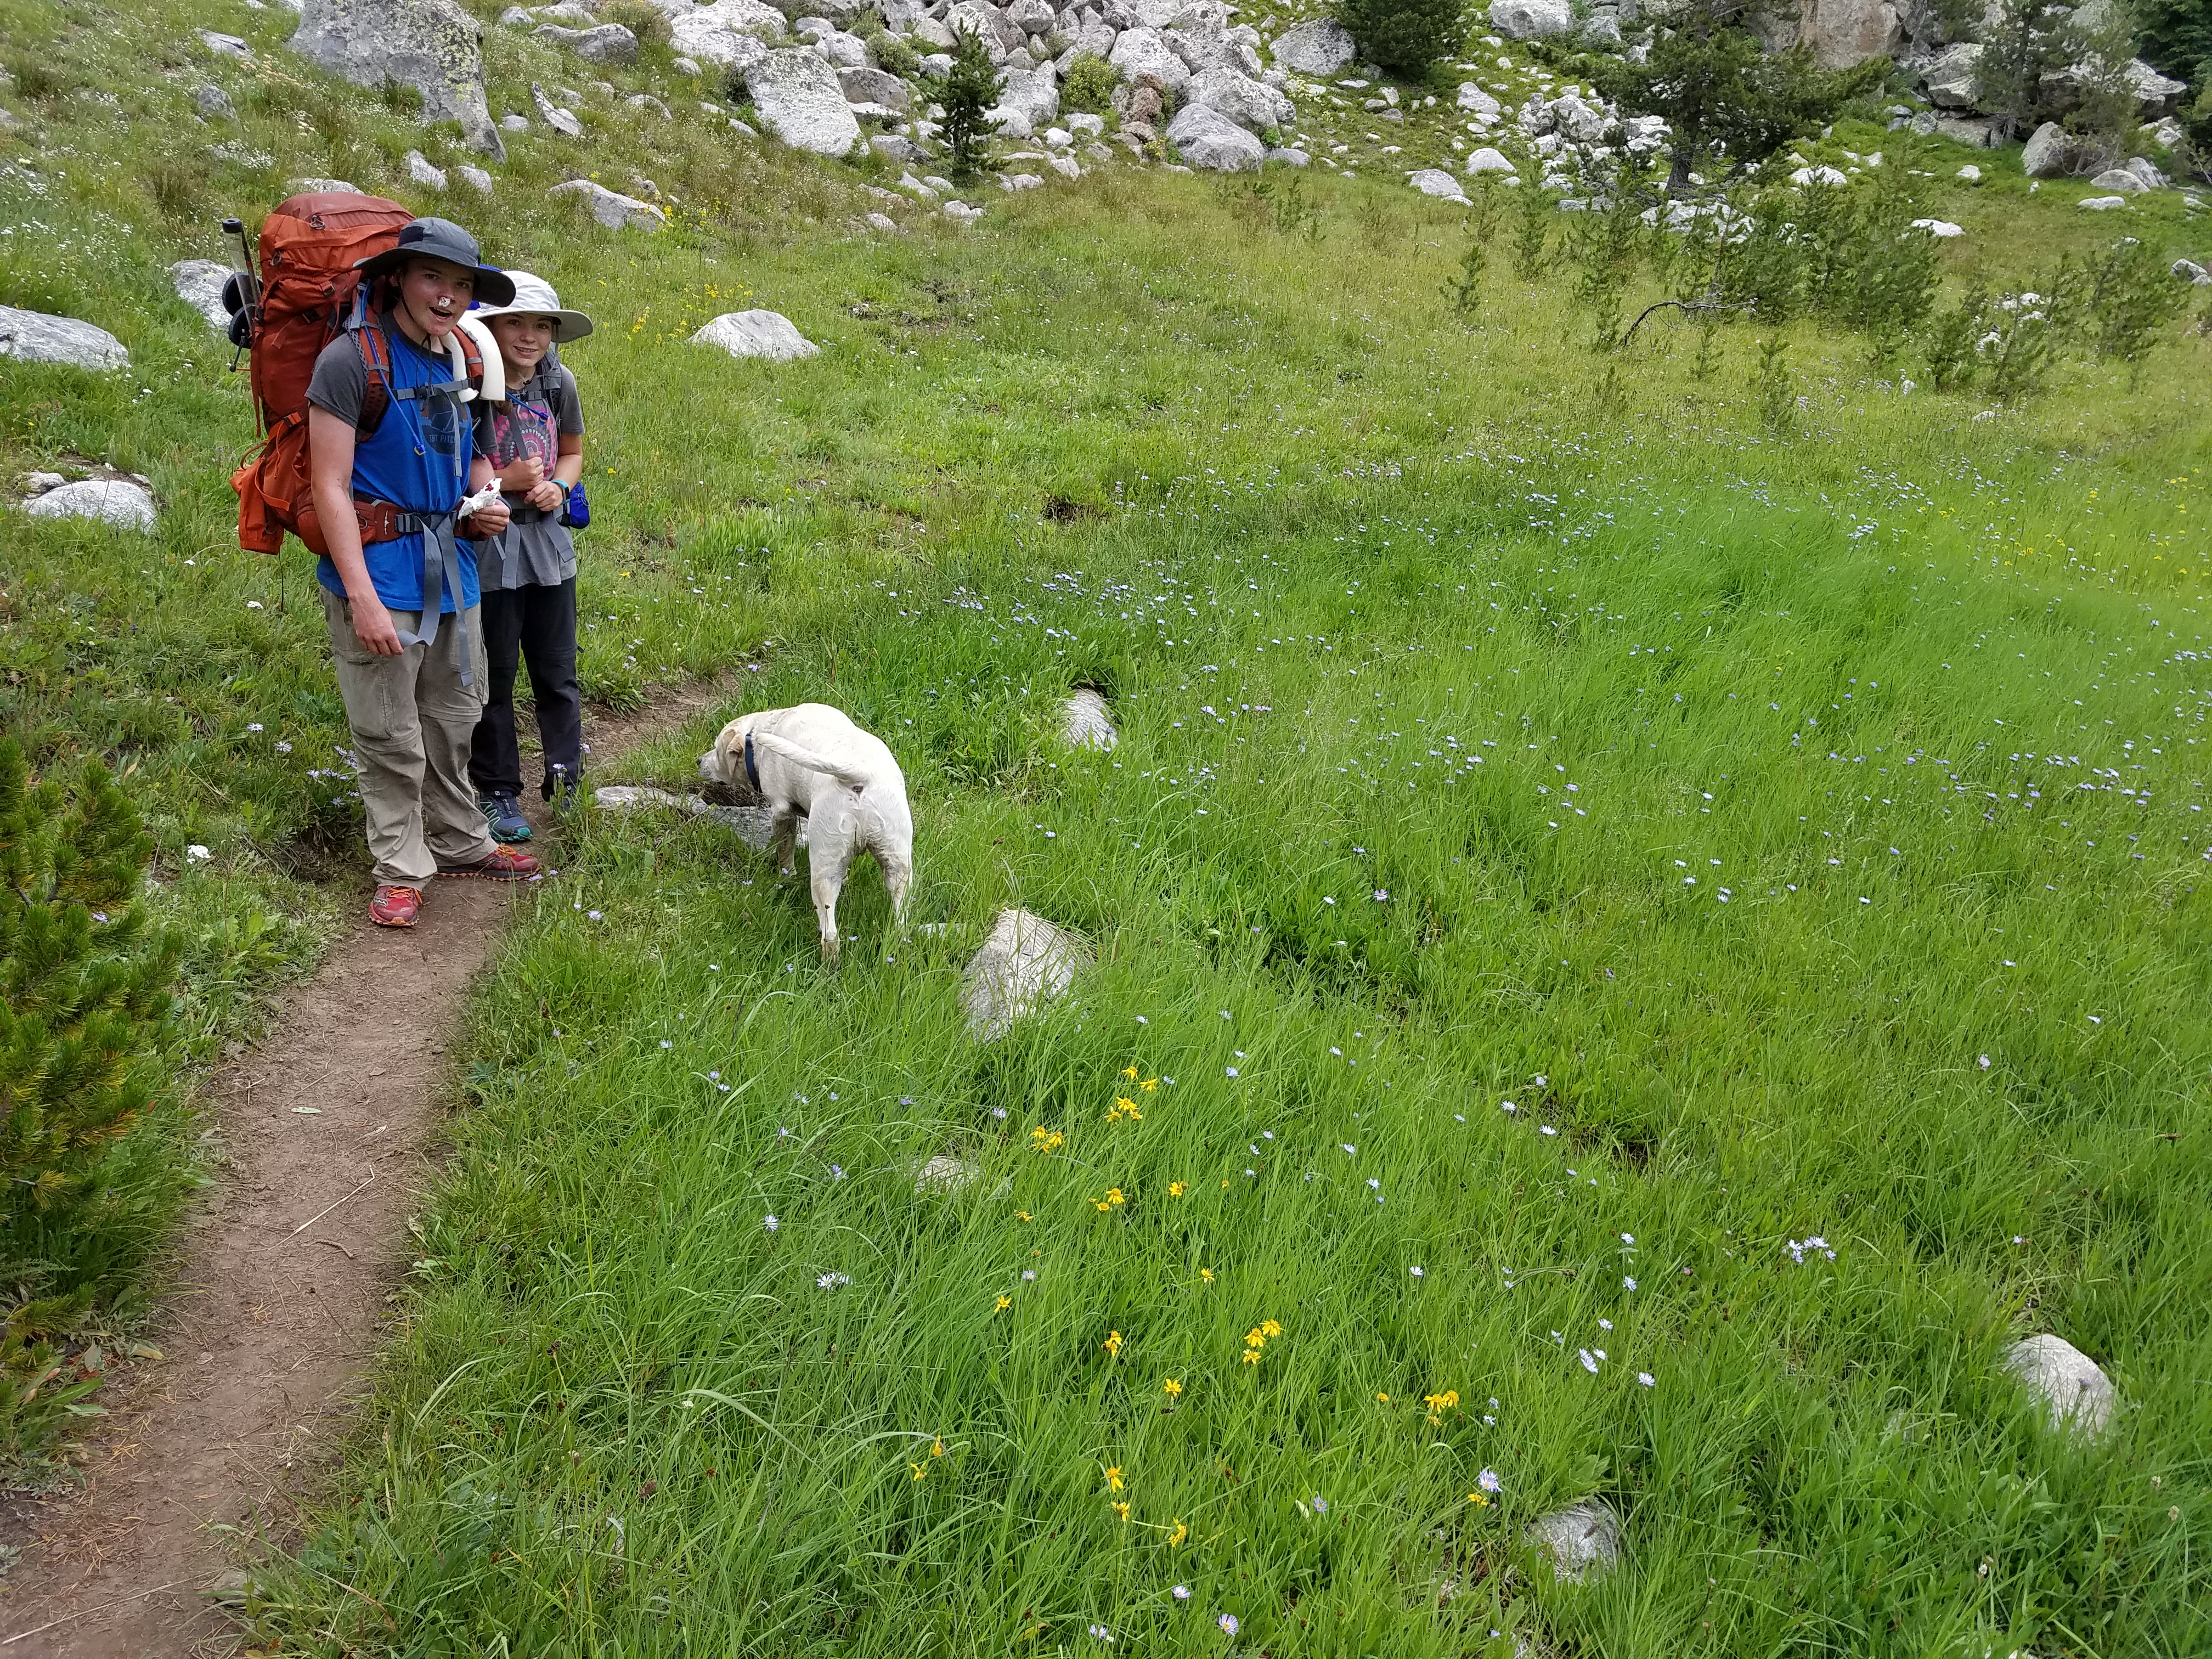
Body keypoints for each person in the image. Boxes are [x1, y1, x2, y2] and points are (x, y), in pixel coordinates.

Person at [305, 217, 541, 929]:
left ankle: (460, 838)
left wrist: (488, 496)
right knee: (389, 730)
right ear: (399, 278)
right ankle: (401, 867)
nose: (447, 296)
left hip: (454, 569)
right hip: (380, 572)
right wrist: (361, 596)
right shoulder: (350, 362)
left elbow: (467, 453)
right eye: (434, 278)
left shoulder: (460, 357)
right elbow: (330, 487)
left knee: (452, 716)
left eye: (462, 285)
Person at [461, 272, 592, 841]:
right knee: (496, 675)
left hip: (548, 546)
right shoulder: (467, 382)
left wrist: (558, 489)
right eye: (516, 321)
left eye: (543, 325)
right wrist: (506, 482)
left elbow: (572, 452)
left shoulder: (558, 381)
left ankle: (565, 779)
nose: (531, 336)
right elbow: (455, 469)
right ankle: (497, 791)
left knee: (558, 669)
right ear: (489, 325)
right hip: (490, 547)